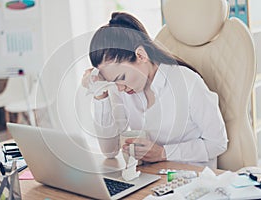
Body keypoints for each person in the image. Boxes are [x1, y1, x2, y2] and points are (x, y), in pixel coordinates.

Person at [82, 12, 228, 168]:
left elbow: (217, 143)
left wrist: (164, 153)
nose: (119, 88)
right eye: (112, 82)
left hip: (191, 180)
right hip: (150, 179)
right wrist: (100, 95)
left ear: (141, 55)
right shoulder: (122, 89)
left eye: (121, 77)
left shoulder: (187, 82)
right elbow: (110, 151)